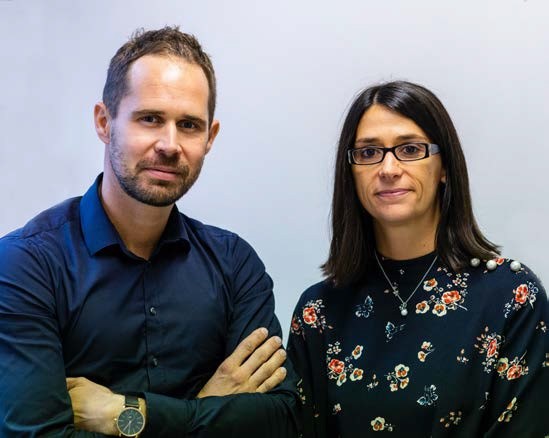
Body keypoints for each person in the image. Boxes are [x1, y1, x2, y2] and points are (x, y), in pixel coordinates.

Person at [0, 27, 299, 437]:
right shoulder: (26, 264)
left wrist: (124, 414)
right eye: (150, 119)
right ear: (105, 122)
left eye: (189, 125)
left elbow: (280, 422)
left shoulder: (234, 263)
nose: (170, 143)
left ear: (209, 138)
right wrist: (206, 409)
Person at [287, 81, 548, 437]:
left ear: (444, 168)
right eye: (368, 153)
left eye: (410, 149)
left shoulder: (513, 298)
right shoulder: (318, 311)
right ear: (350, 172)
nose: (389, 168)